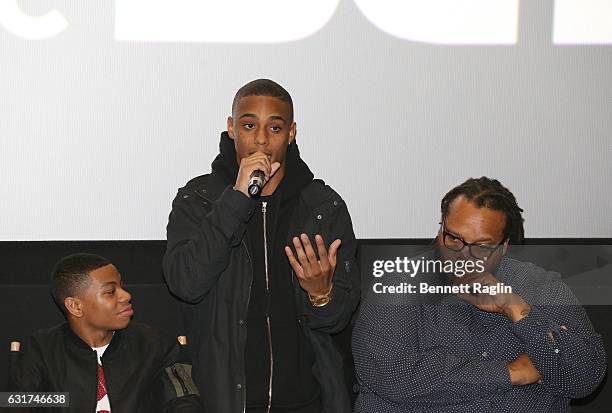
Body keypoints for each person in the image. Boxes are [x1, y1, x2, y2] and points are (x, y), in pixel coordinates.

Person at [163, 79, 360, 413]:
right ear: (231, 128)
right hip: (227, 401)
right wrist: (237, 199)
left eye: (275, 127)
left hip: (306, 401)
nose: (261, 140)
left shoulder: (322, 207)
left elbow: (336, 320)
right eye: (249, 125)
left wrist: (320, 293)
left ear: (292, 132)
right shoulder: (199, 199)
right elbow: (186, 283)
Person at [352, 177, 606, 412]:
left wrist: (518, 310)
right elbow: (394, 376)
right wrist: (512, 373)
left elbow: (584, 378)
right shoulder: (398, 285)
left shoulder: (539, 285)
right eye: (453, 239)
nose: (463, 255)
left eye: (482, 246)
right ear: (440, 230)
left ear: (504, 246)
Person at [8, 253, 202, 413]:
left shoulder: (156, 345)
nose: (126, 296)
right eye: (110, 292)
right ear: (75, 306)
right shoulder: (39, 351)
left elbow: (184, 402)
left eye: (121, 286)